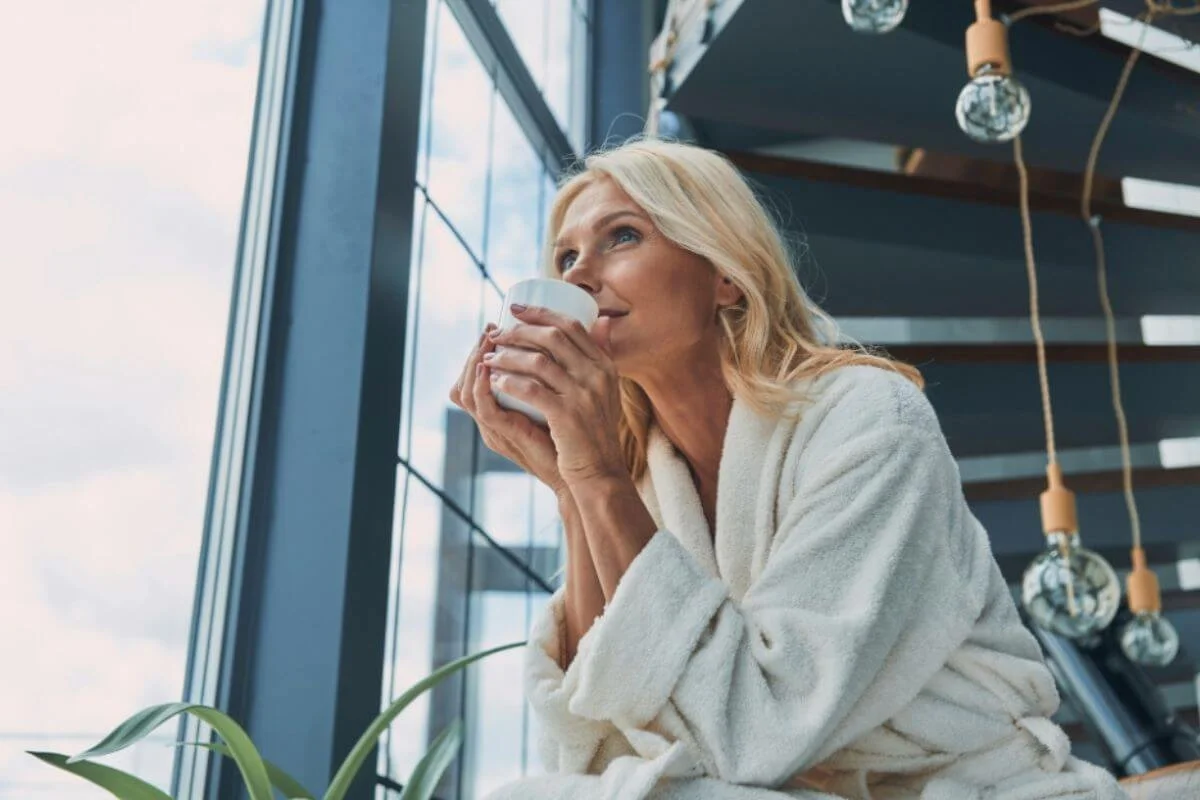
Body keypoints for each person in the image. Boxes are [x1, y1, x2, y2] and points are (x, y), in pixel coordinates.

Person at [449, 138, 1127, 800]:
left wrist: (596, 477)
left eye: (621, 237)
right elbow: (592, 745)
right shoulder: (645, 484)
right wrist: (575, 490)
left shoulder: (869, 418)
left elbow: (755, 731)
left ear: (725, 274)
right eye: (566, 254)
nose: (577, 275)